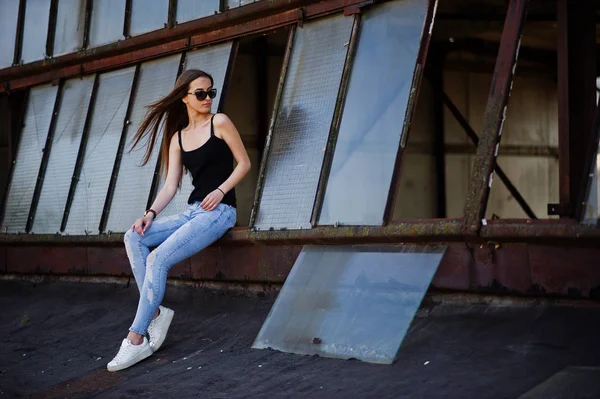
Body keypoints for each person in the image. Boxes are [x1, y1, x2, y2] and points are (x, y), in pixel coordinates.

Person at [107, 69, 251, 372]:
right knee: (133, 237)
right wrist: (149, 214)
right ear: (185, 97)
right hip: (194, 211)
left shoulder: (220, 122)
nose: (208, 98)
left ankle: (135, 339)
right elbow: (171, 186)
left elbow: (244, 162)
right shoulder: (178, 138)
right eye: (200, 93)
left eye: (211, 92)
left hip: (220, 211)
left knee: (158, 259)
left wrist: (221, 189)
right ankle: (156, 314)